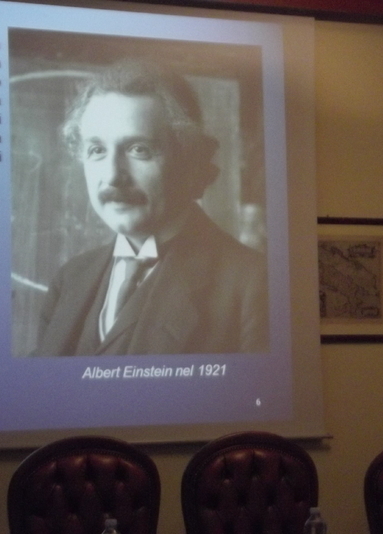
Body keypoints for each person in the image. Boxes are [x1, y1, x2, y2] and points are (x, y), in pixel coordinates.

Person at [33, 60, 269, 356]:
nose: (113, 176)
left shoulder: (254, 285)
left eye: (139, 150)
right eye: (97, 150)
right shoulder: (69, 280)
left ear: (188, 160)